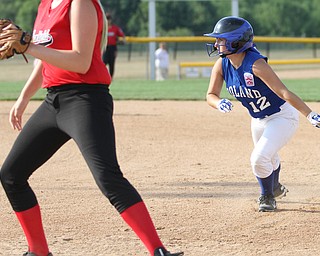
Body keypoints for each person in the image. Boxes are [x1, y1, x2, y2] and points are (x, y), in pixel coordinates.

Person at [0, 1, 184, 256]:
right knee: (11, 174)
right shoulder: (45, 5)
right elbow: (45, 58)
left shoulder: (80, 4)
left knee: (108, 177)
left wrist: (28, 46)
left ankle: (158, 250)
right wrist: (23, 99)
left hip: (86, 100)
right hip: (53, 101)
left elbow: (81, 61)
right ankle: (38, 251)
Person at [204, 16, 320, 212]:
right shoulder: (222, 64)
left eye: (221, 39)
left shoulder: (256, 64)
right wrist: (218, 102)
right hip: (257, 119)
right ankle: (274, 187)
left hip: (281, 116)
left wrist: (310, 114)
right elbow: (210, 95)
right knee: (269, 156)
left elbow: (283, 92)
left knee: (259, 158)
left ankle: (266, 196)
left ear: (236, 41)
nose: (216, 44)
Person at [102, 12, 125, 79]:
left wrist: (119, 41)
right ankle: (103, 77)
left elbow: (122, 36)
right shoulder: (103, 28)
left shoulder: (115, 28)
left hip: (112, 47)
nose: (108, 21)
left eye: (109, 19)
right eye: (107, 19)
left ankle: (110, 78)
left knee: (112, 64)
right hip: (105, 48)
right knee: (103, 63)